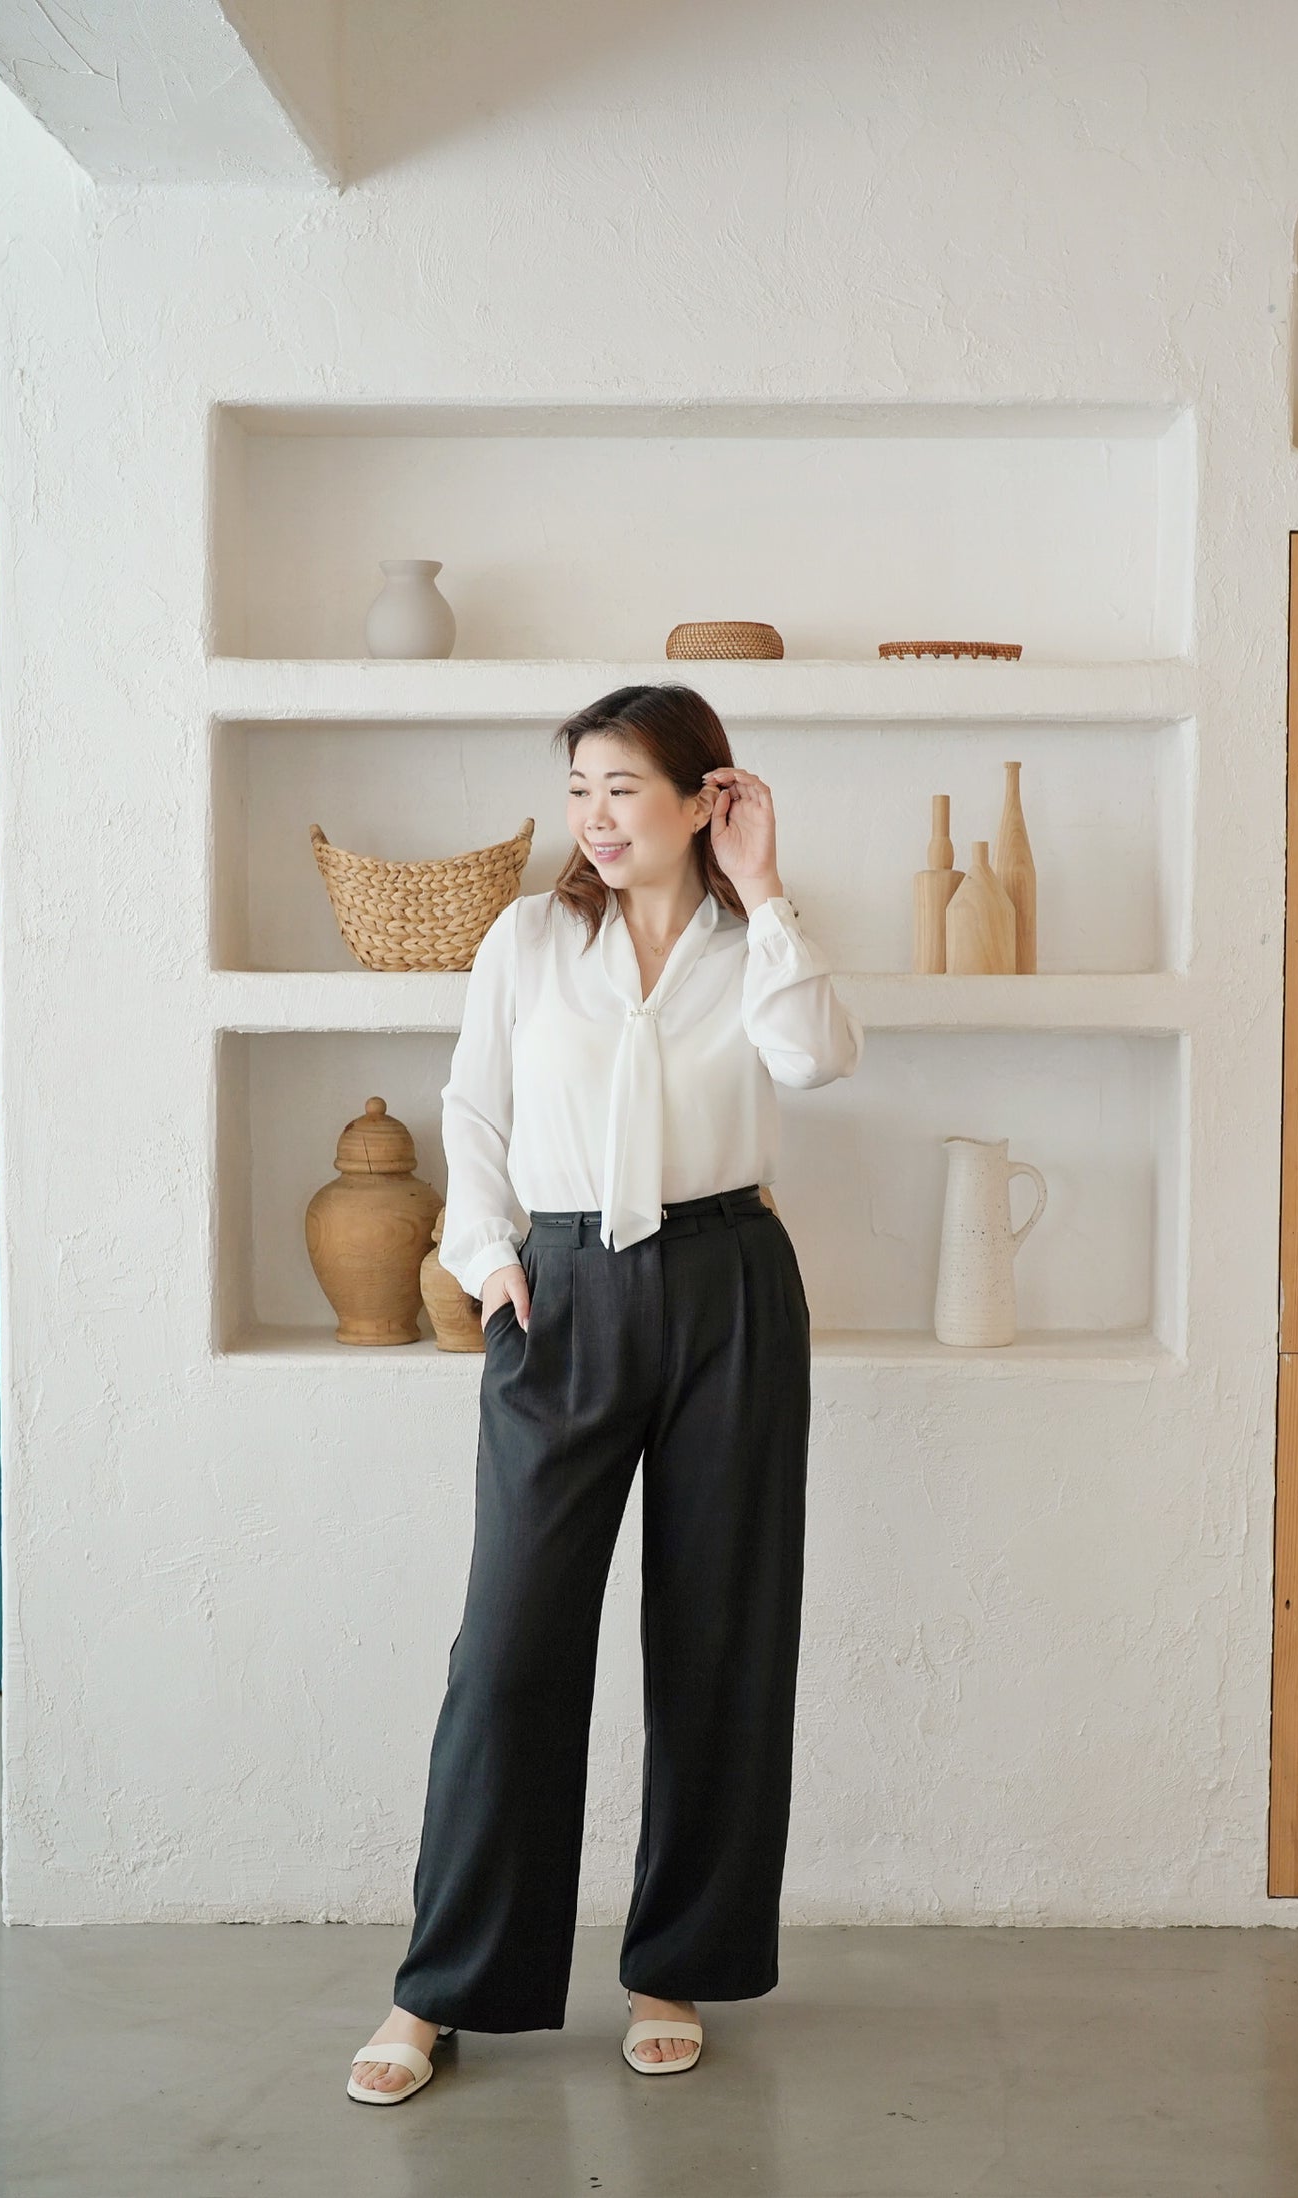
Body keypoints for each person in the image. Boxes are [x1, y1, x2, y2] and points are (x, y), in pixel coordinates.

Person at [347, 682, 864, 2102]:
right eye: (580, 787)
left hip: (727, 1286)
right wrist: (485, 1254)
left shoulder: (756, 941)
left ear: (707, 796)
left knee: (718, 1637)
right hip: (559, 1296)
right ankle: (440, 1987)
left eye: (624, 786)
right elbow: (472, 1109)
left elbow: (818, 1060)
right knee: (507, 1651)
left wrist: (765, 893)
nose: (594, 815)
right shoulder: (527, 936)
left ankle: (670, 1963)